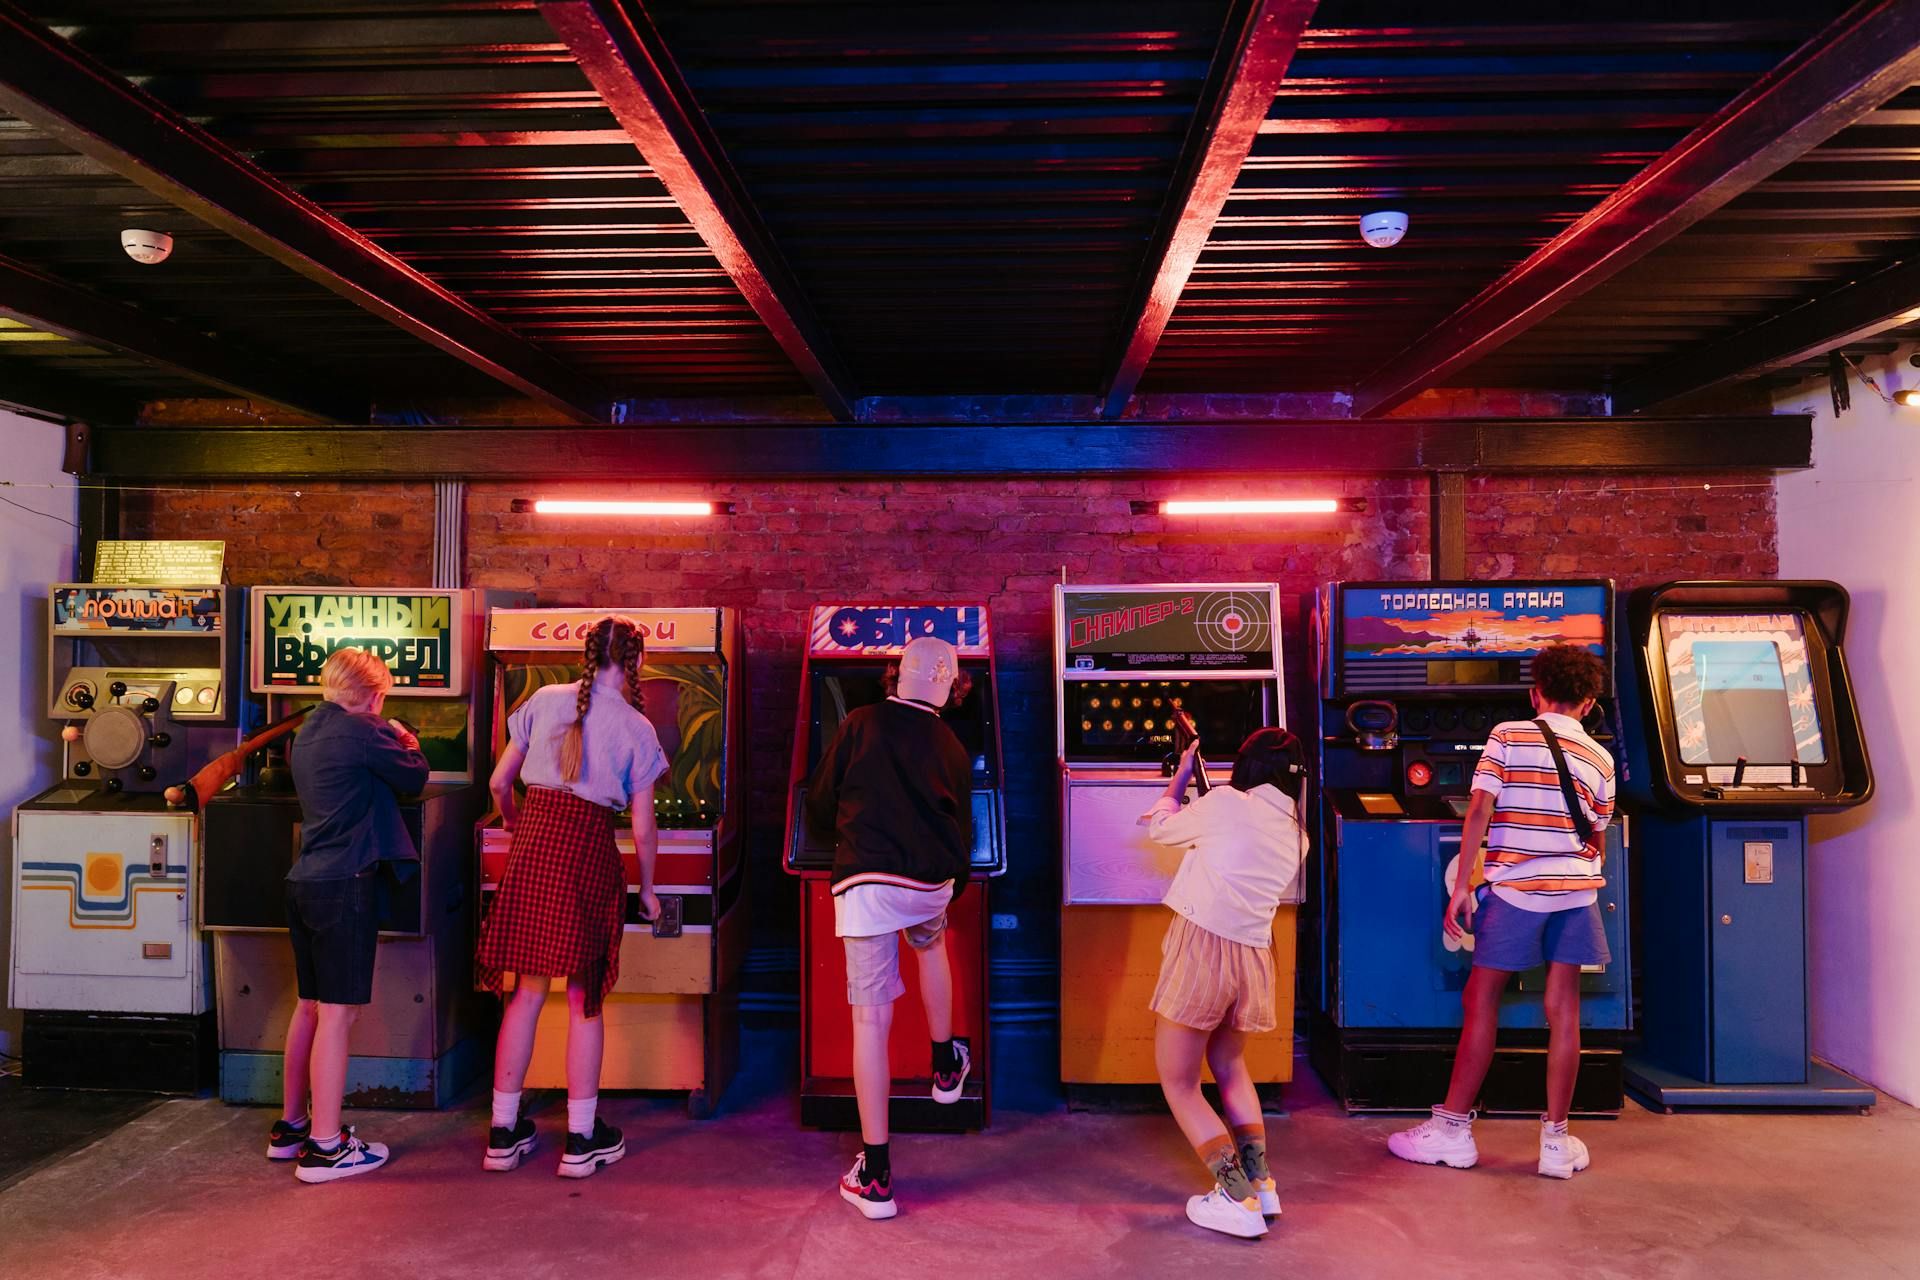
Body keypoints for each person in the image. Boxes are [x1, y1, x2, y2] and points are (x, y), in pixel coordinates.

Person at [1388, 643, 1615, 1179]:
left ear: (1535, 693)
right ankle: (1556, 1143)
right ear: (1587, 702)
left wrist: (1466, 883)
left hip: (1517, 890)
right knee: (1564, 1010)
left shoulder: (1507, 736)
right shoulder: (1601, 758)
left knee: (1480, 997)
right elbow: (1598, 838)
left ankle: (1452, 1129)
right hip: (1577, 891)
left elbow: (1478, 815)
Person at [476, 615, 667, 1179]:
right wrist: (649, 889)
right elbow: (644, 824)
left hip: (534, 845)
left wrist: (515, 823)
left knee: (526, 992)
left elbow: (497, 783)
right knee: (585, 997)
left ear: (587, 654)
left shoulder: (542, 699)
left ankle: (502, 1133)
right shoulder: (637, 727)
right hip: (586, 852)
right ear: (633, 663)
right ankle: (581, 1141)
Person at [805, 635, 975, 1221]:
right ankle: (945, 1062)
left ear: (894, 676)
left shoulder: (858, 723)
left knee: (870, 1021)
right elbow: (965, 827)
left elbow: (820, 806)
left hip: (867, 884)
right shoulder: (953, 743)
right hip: (930, 881)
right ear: (952, 687)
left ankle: (876, 1176)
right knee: (931, 946)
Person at [1144, 727, 1309, 1240]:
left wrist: (1177, 782)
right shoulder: (1296, 832)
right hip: (1254, 957)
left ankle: (1234, 1196)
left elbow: (1163, 831)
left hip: (1203, 949)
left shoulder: (1228, 804)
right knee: (1231, 1066)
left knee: (1179, 1081)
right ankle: (1261, 1184)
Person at [271, 647, 428, 1183]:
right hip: (346, 883)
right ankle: (325, 1148)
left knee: (310, 1006)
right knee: (339, 1014)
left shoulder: (309, 730)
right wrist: (408, 738)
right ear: (375, 693)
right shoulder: (366, 730)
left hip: (305, 881)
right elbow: (414, 777)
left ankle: (292, 1126)